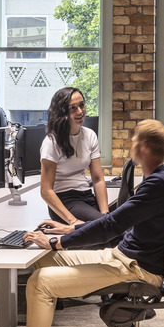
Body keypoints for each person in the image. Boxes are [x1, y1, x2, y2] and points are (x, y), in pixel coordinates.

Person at [0, 119, 164, 327]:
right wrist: (71, 228)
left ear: (144, 146)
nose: (131, 143)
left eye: (135, 139)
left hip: (137, 269)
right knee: (45, 259)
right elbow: (114, 223)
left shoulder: (158, 185)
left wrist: (59, 241)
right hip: (123, 257)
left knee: (40, 282)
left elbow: (111, 226)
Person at [39, 87, 107, 225]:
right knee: (108, 228)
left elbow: (98, 179)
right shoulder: (51, 142)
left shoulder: (90, 135)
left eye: (82, 105)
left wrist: (106, 214)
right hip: (65, 201)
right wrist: (73, 222)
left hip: (87, 196)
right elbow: (45, 191)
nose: (80, 111)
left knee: (113, 224)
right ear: (62, 111)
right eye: (73, 108)